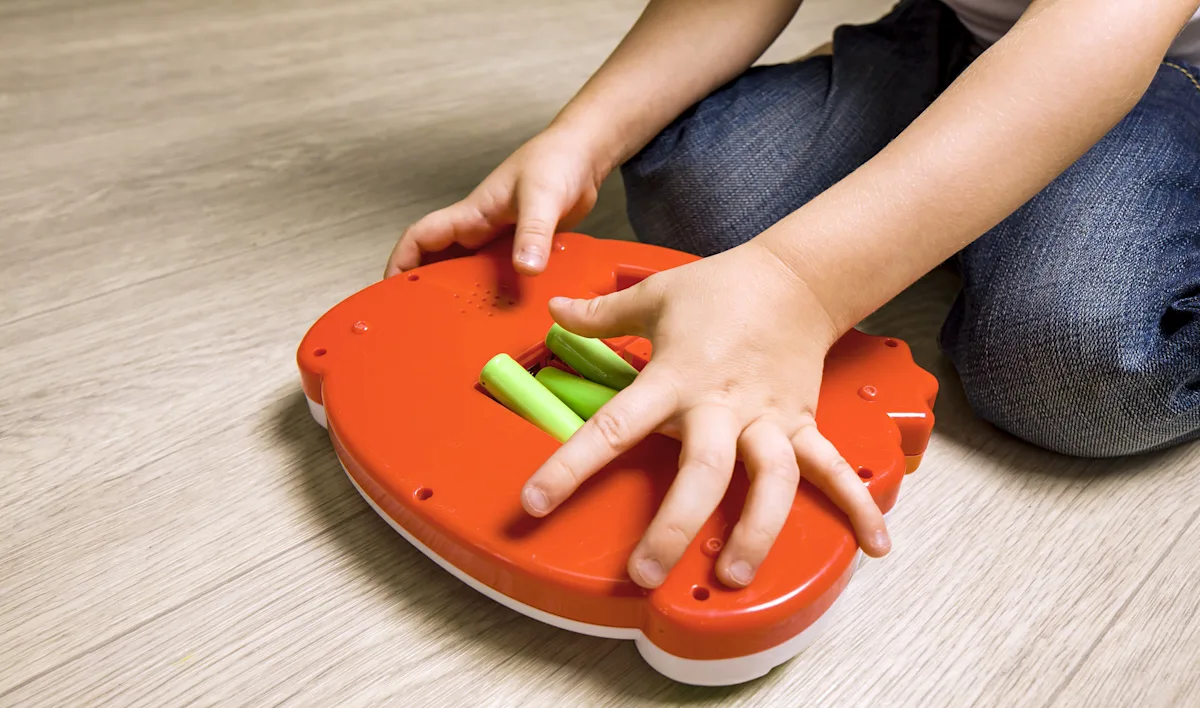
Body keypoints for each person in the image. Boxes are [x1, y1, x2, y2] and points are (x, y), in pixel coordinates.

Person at [386, 0, 1200, 591]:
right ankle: (959, 191)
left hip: (1149, 58)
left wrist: (799, 284)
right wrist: (581, 134)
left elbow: (1104, 25)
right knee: (692, 200)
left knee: (1074, 366)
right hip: (957, 31)